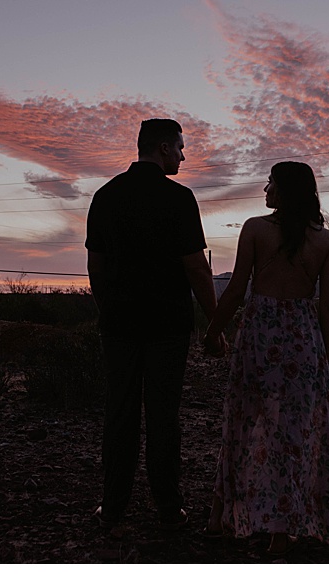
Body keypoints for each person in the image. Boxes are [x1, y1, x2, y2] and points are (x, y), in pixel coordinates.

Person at [201, 160, 329, 555]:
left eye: (270, 182)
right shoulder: (326, 241)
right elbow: (328, 308)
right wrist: (325, 354)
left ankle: (218, 518)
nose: (264, 189)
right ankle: (280, 533)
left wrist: (213, 330)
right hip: (303, 345)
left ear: (285, 190)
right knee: (294, 435)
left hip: (259, 340)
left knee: (242, 423)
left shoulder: (255, 229)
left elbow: (237, 288)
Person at [85, 118, 220, 530]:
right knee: (164, 416)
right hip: (168, 326)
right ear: (162, 147)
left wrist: (107, 308)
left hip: (119, 324)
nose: (183, 155)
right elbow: (196, 267)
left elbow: (96, 266)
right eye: (180, 147)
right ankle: (168, 506)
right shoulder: (179, 199)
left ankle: (113, 507)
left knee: (120, 412)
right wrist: (215, 321)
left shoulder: (105, 196)